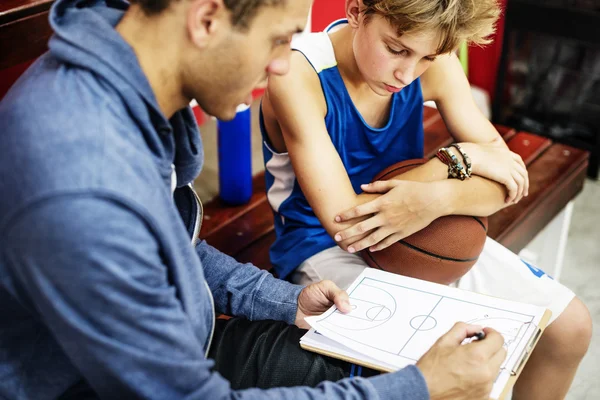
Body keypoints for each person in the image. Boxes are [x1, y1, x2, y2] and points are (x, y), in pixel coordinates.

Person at [0, 0, 510, 399]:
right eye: (280, 39)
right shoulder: (81, 185)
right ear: (206, 20)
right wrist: (418, 389)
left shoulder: (124, 80)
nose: (284, 65)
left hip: (189, 336)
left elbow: (167, 244)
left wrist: (283, 301)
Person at [260, 0, 593, 399]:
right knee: (452, 371)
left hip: (421, 228)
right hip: (323, 247)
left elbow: (508, 182)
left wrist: (435, 198)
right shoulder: (300, 76)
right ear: (356, 11)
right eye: (396, 49)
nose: (407, 73)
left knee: (569, 327)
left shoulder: (434, 60)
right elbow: (349, 223)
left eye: (427, 57)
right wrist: (454, 161)